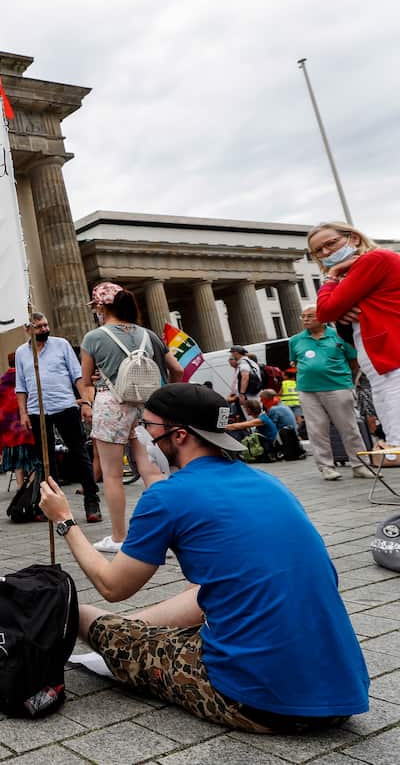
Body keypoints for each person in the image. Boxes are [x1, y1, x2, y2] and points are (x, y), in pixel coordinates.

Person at [38, 383, 369, 732]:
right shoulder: (268, 483)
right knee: (215, 587)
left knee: (83, 614)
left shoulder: (169, 496)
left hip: (261, 703)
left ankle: (119, 631)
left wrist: (64, 521)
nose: (144, 439)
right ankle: (133, 626)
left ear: (179, 435)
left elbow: (112, 585)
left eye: (147, 428)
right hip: (341, 694)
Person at [79, 283, 182, 554]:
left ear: (101, 307)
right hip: (148, 405)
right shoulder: (148, 334)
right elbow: (177, 369)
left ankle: (118, 536)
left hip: (112, 404)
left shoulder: (94, 337)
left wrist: (89, 398)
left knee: (112, 475)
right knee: (152, 469)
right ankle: (173, 529)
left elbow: (85, 379)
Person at [311, 220, 400, 450]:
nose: (325, 252)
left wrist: (330, 276)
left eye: (330, 243)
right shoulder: (353, 273)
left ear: (354, 238)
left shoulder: (373, 259)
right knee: (394, 439)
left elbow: (324, 311)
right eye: (318, 251)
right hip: (380, 362)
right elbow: (334, 313)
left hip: (392, 356)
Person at [15, 313, 102, 522]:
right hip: (37, 410)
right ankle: (53, 504)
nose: (44, 329)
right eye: (38, 327)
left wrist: (86, 403)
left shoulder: (61, 345)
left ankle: (92, 502)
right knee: (46, 461)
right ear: (28, 330)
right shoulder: (21, 353)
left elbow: (77, 375)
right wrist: (23, 413)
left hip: (65, 406)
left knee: (80, 453)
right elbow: (20, 386)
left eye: (45, 325)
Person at [289, 306, 370, 480]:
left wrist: (347, 380)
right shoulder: (295, 340)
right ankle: (326, 467)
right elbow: (295, 362)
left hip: (338, 386)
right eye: (303, 317)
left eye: (310, 316)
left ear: (322, 317)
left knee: (349, 427)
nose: (305, 320)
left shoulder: (339, 335)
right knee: (316, 429)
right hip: (308, 390)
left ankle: (359, 465)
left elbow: (353, 361)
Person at [0, 353, 41, 492]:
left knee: (18, 461)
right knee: (32, 459)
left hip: (10, 429)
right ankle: (32, 487)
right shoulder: (22, 377)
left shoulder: (3, 380)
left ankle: (20, 486)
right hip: (26, 424)